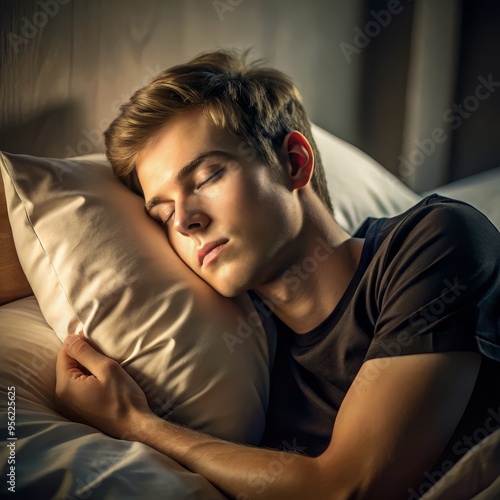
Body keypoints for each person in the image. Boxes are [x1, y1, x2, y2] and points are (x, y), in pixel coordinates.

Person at [54, 49, 500, 499]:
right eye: (163, 212)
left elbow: (350, 486)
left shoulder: (435, 241)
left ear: (294, 162)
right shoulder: (252, 370)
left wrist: (136, 424)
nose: (186, 221)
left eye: (207, 178)